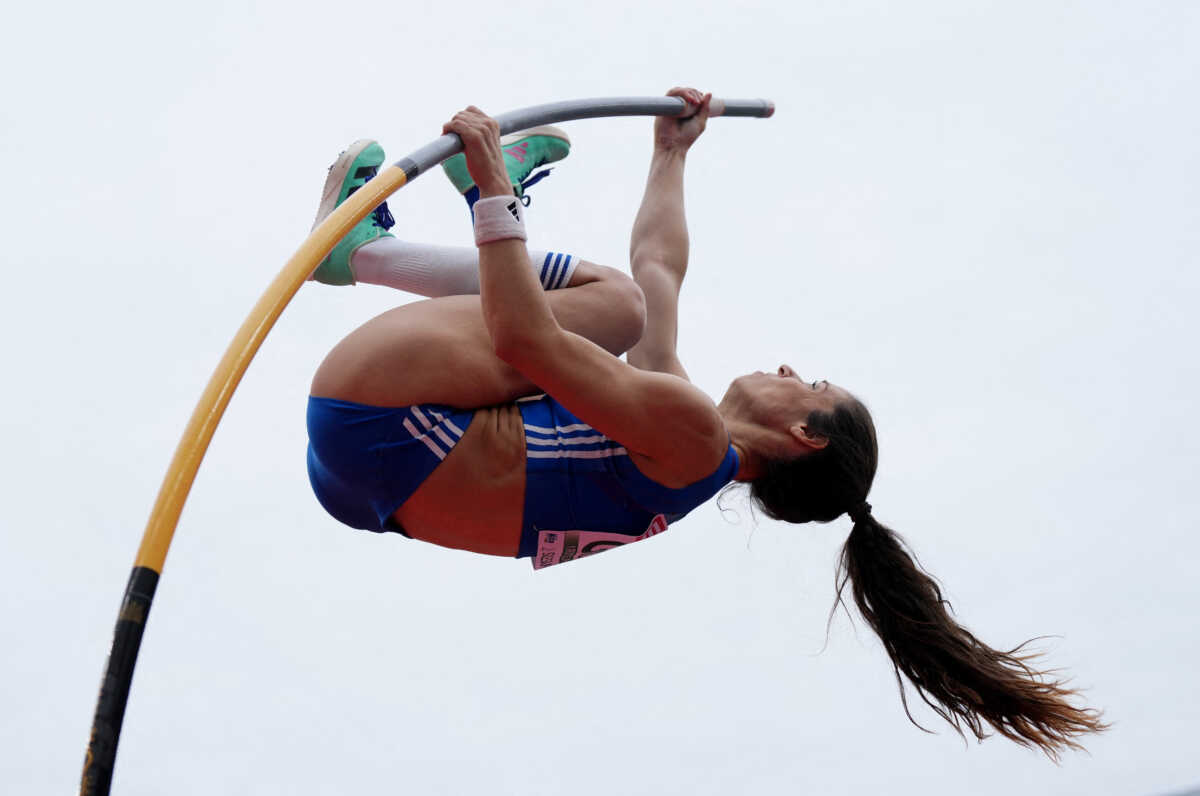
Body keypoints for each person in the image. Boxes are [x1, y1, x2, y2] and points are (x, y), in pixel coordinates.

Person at [305, 88, 1106, 756]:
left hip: (387, 423)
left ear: (807, 435)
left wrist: (490, 189)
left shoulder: (690, 436)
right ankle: (381, 249)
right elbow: (661, 264)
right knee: (636, 299)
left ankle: (363, 254)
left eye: (813, 383)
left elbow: (523, 335)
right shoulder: (677, 439)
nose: (791, 368)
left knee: (612, 306)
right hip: (366, 484)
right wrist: (672, 154)